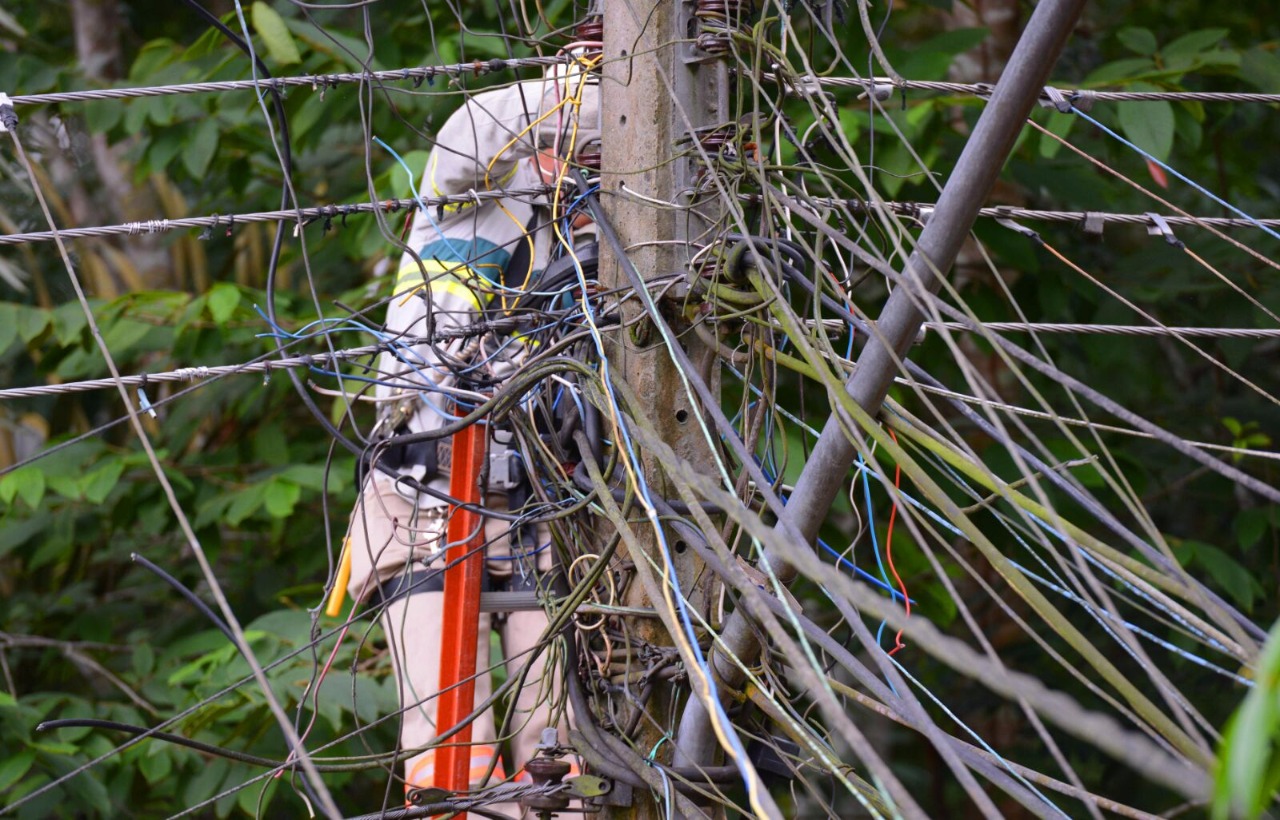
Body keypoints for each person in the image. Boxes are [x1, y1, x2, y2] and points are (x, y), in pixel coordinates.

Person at [337, 53, 600, 809]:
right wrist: (607, 86)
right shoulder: (468, 180)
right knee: (453, 765)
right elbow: (484, 129)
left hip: (543, 508)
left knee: (563, 763)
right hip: (426, 494)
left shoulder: (610, 231)